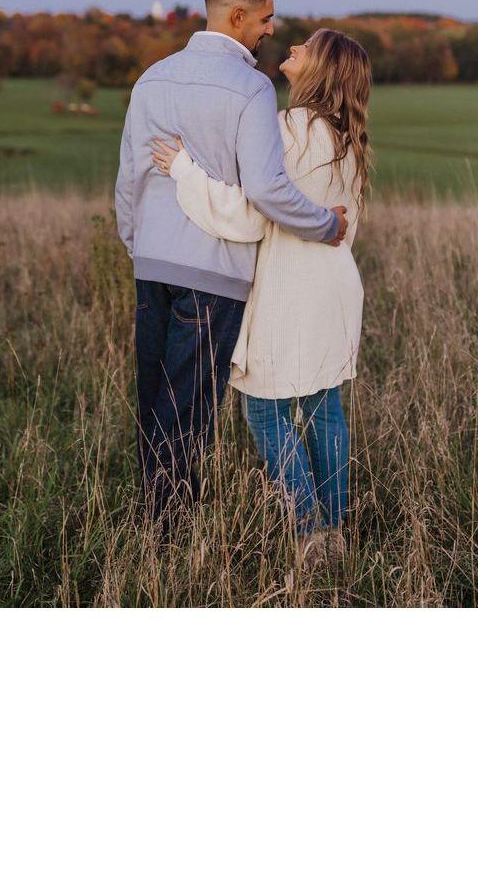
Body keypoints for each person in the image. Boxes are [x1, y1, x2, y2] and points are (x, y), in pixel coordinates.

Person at [114, 0, 348, 528]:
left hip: (152, 264)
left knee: (154, 402)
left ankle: (157, 521)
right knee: (187, 410)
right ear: (238, 16)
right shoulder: (251, 88)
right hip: (213, 273)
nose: (271, 29)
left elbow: (128, 178)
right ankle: (168, 532)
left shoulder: (152, 79)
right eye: (265, 18)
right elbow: (267, 189)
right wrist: (324, 225)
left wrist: (139, 245)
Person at [150, 28, 371, 567]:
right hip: (335, 288)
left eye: (307, 47)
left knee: (266, 414)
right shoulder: (348, 140)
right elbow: (341, 225)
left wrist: (182, 170)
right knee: (323, 410)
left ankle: (310, 536)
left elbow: (251, 213)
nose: (293, 46)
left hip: (289, 291)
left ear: (322, 69)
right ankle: (336, 532)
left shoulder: (288, 128)